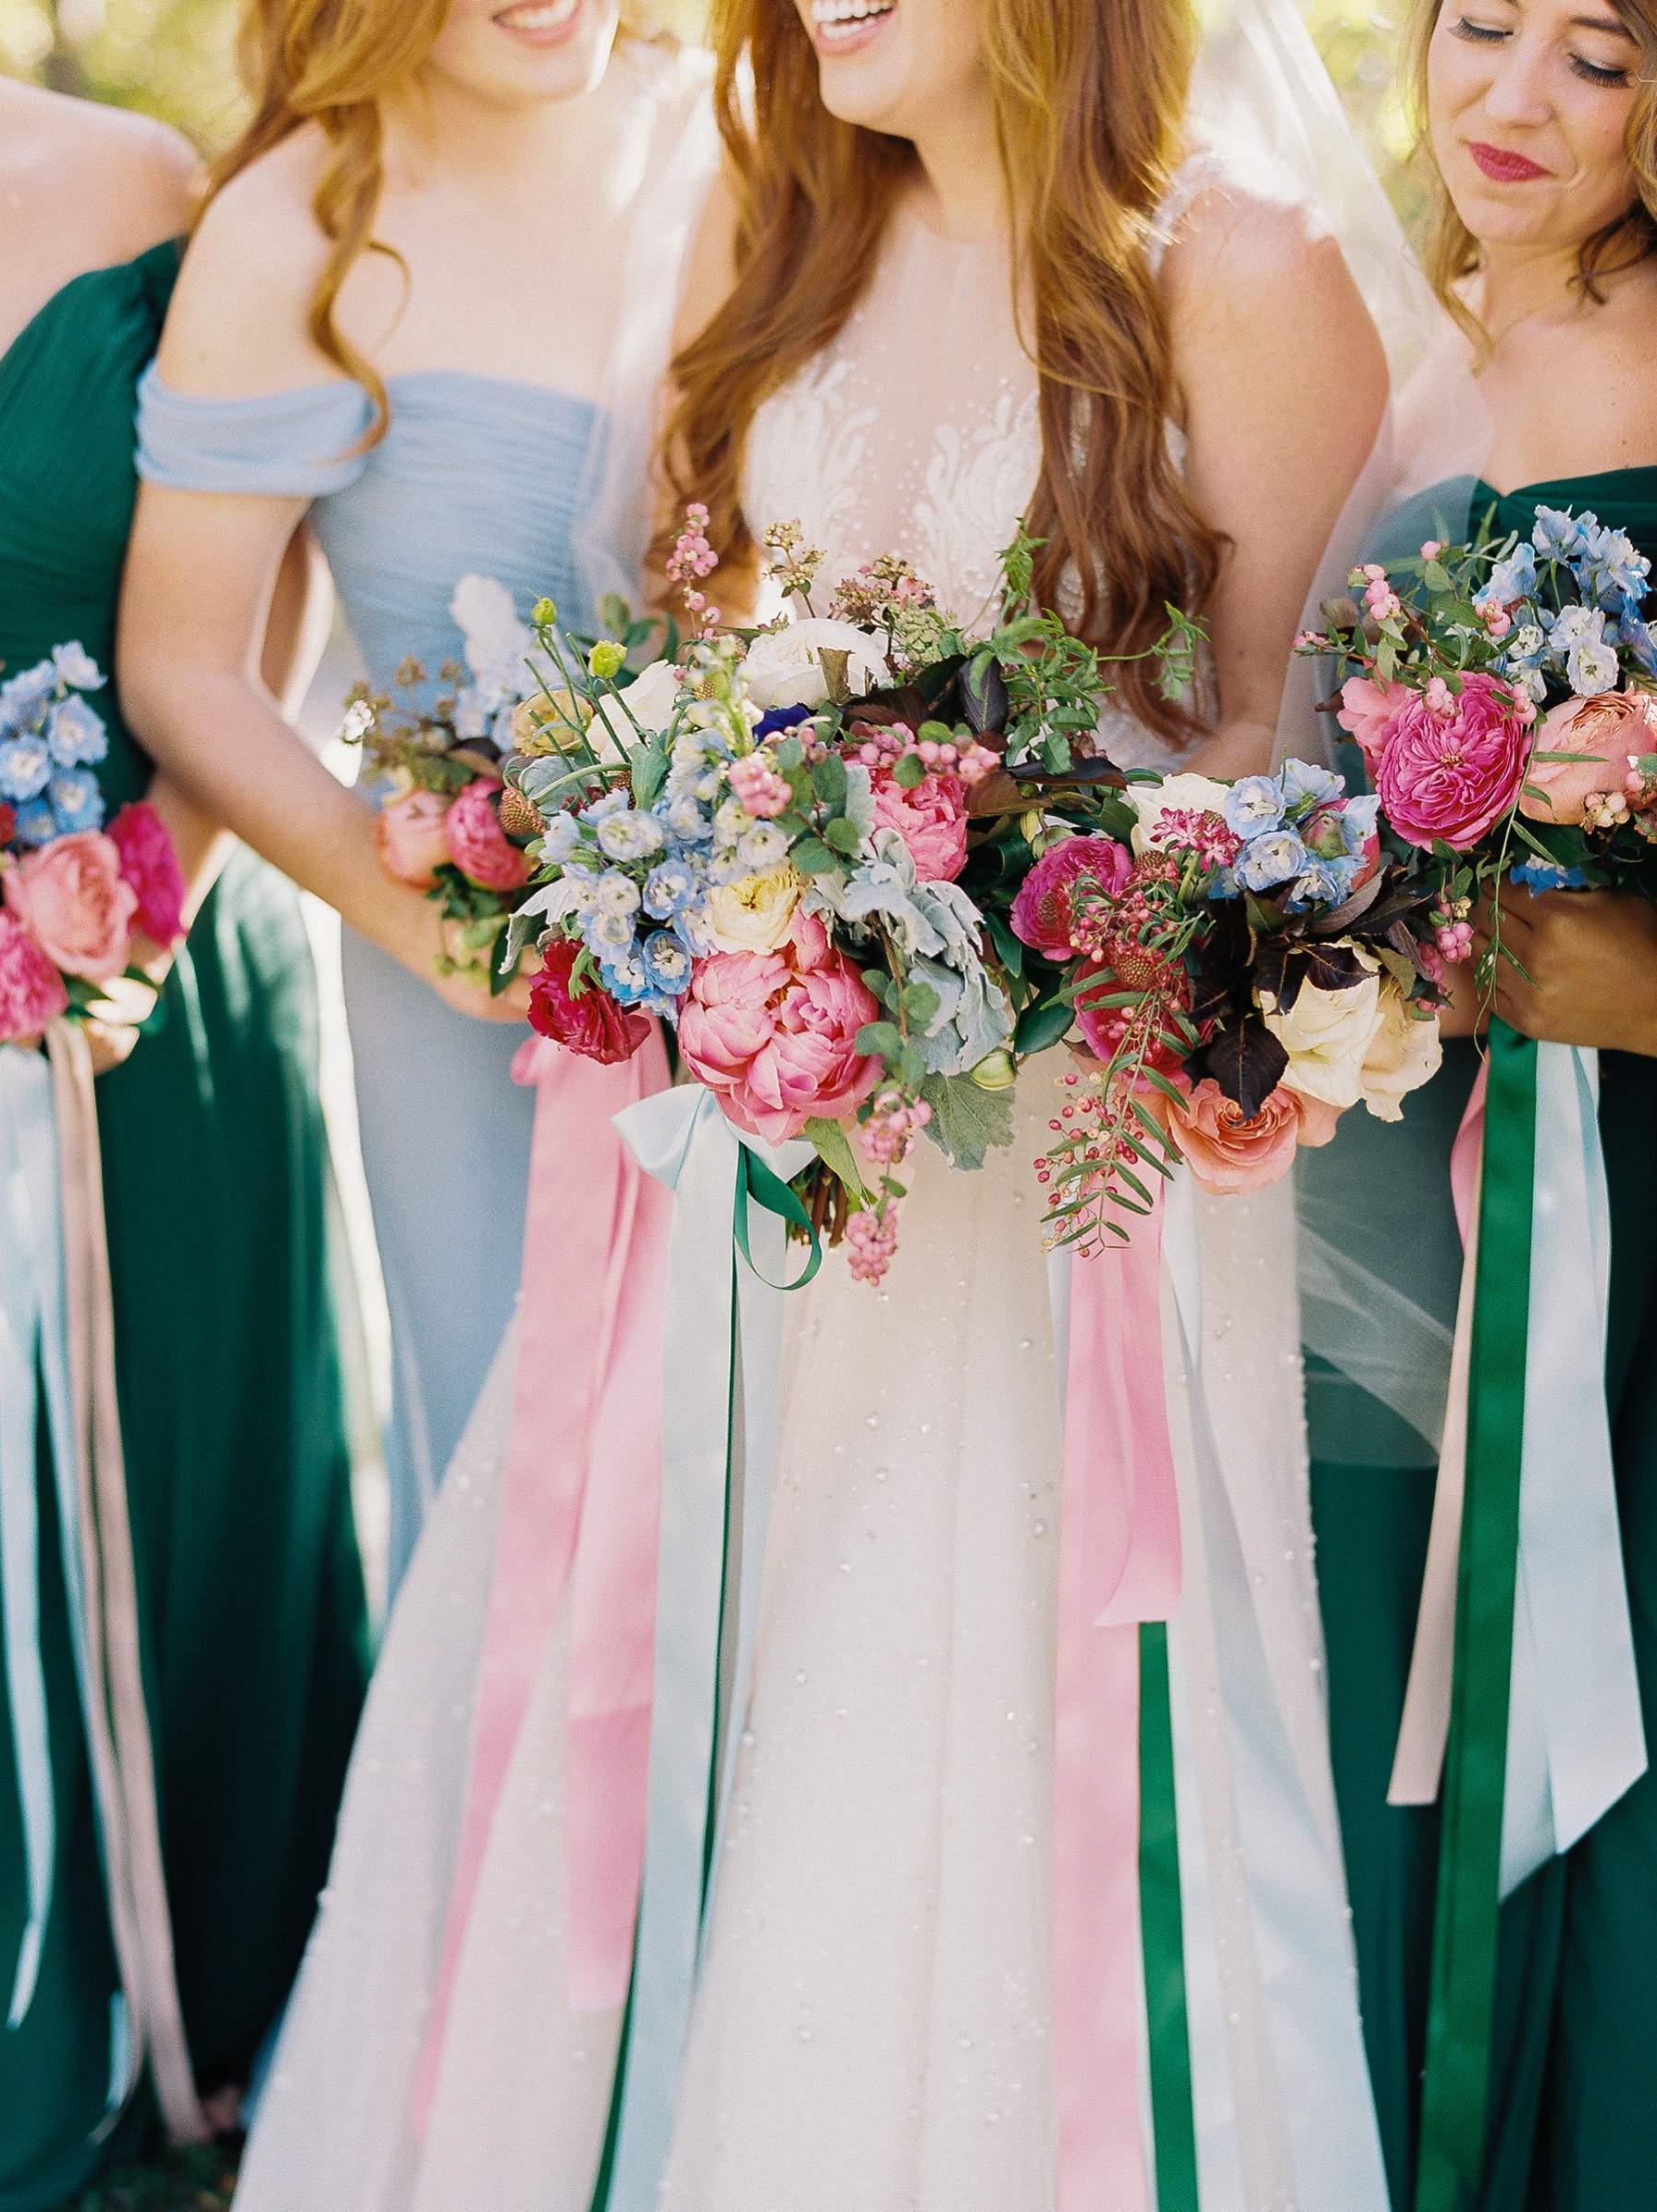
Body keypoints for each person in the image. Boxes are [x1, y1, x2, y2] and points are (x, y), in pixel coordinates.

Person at [636, 0, 1390, 2204]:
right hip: (822, 1158)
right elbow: (721, 659)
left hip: (1101, 1180)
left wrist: (998, 910)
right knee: (830, 1706)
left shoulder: (1232, 275)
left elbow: (1284, 778)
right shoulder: (789, 243)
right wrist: (769, 904)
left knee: (1064, 1734)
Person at [119, 0, 698, 1588]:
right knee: (518, 1515)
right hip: (470, 991)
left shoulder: (753, 148)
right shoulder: (299, 224)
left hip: (774, 968)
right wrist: (427, 924)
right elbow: (183, 662)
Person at [0, 75, 368, 2207]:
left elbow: (266, 597)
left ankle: (207, 1994)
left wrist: (137, 904)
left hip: (140, 988)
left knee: (192, 1484)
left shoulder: (143, 190)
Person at [1294, 0, 1657, 2200]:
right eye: (1479, 23)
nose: (1511, 99)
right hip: (1383, 1187)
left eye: (1598, 56)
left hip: (1605, 1199)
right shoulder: (1404, 353)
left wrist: (1566, 964)